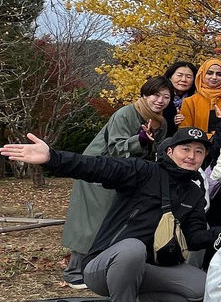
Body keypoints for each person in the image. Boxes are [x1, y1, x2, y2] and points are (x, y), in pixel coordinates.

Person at [1, 128, 221, 302]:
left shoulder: (193, 192)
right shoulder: (143, 171)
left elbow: (193, 237)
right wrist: (53, 157)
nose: (191, 156)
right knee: (132, 248)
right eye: (186, 149)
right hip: (103, 266)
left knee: (201, 289)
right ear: (170, 151)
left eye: (199, 151)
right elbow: (96, 166)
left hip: (149, 268)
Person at [61, 76, 173, 289]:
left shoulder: (162, 122)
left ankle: (99, 267)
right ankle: (74, 270)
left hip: (129, 175)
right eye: (155, 95)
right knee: (92, 221)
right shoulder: (125, 114)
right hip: (99, 171)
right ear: (144, 94)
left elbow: (154, 151)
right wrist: (139, 140)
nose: (160, 100)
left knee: (117, 219)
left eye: (166, 97)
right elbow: (116, 147)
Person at [179, 58, 221, 137]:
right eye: (209, 73)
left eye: (219, 74)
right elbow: (185, 131)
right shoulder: (190, 102)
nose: (214, 77)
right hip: (197, 145)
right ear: (202, 74)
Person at [162, 61, 197, 138]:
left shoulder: (195, 101)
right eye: (179, 75)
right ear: (170, 77)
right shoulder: (160, 98)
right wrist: (171, 122)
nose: (183, 80)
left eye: (188, 76)